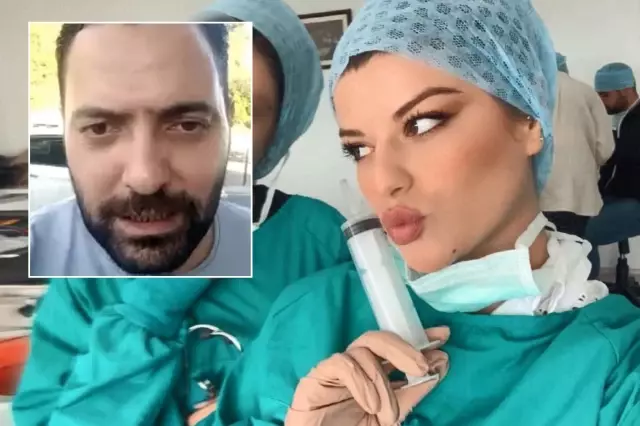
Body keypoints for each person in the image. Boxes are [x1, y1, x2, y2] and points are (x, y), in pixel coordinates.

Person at [205, 1, 640, 425]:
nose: (383, 180)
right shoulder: (312, 315)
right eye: (359, 149)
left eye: (423, 124)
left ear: (529, 120)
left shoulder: (617, 367)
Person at [13, 1, 350, 425]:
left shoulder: (320, 240)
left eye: (247, 111)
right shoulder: (89, 250)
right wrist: (149, 309)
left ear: (283, 124)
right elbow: (40, 415)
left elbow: (363, 396)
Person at [28, 23, 251, 277]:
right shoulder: (32, 254)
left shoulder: (268, 250)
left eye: (188, 125)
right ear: (64, 125)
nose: (146, 180)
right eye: (100, 128)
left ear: (229, 119)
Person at [540, 53, 614, 238]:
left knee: (542, 250)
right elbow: (605, 147)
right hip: (578, 192)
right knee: (576, 247)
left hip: (537, 193)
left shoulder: (524, 93)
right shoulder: (587, 93)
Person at [586, 63, 640, 279]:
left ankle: (587, 293)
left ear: (625, 90)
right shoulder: (621, 120)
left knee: (583, 234)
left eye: (605, 95)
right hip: (618, 195)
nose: (600, 101)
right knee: (573, 222)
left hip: (636, 200)